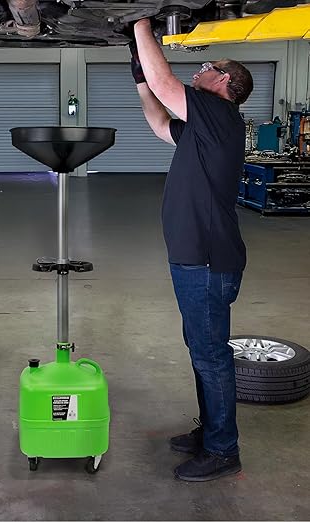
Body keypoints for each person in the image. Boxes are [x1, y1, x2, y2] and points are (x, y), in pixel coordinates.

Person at [130, 18, 254, 482]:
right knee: (202, 348)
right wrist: (140, 77)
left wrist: (141, 26)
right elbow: (160, 123)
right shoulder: (206, 126)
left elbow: (168, 86)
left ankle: (223, 450)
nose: (199, 71)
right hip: (195, 259)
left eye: (207, 67)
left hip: (207, 260)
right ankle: (212, 433)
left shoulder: (218, 113)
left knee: (210, 354)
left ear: (225, 82)